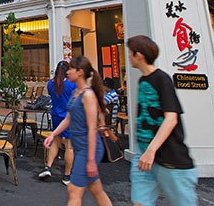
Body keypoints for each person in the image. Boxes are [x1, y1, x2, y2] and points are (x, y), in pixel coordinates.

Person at [126, 35, 197, 206]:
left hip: (169, 157)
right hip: (143, 154)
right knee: (139, 202)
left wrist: (151, 150)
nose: (128, 56)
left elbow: (171, 119)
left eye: (130, 52)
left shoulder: (162, 79)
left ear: (139, 55)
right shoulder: (143, 80)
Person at [44, 57, 112, 206]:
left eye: (71, 69)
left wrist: (91, 160)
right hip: (80, 146)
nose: (67, 72)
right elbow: (68, 119)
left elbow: (92, 128)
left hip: (88, 148)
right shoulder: (76, 92)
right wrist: (53, 134)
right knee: (96, 189)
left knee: (74, 191)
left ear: (80, 72)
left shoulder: (88, 95)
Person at [39, 60, 76, 185]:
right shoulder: (71, 84)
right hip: (68, 118)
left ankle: (48, 167)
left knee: (56, 141)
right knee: (69, 147)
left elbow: (51, 96)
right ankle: (66, 176)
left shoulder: (51, 84)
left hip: (55, 115)